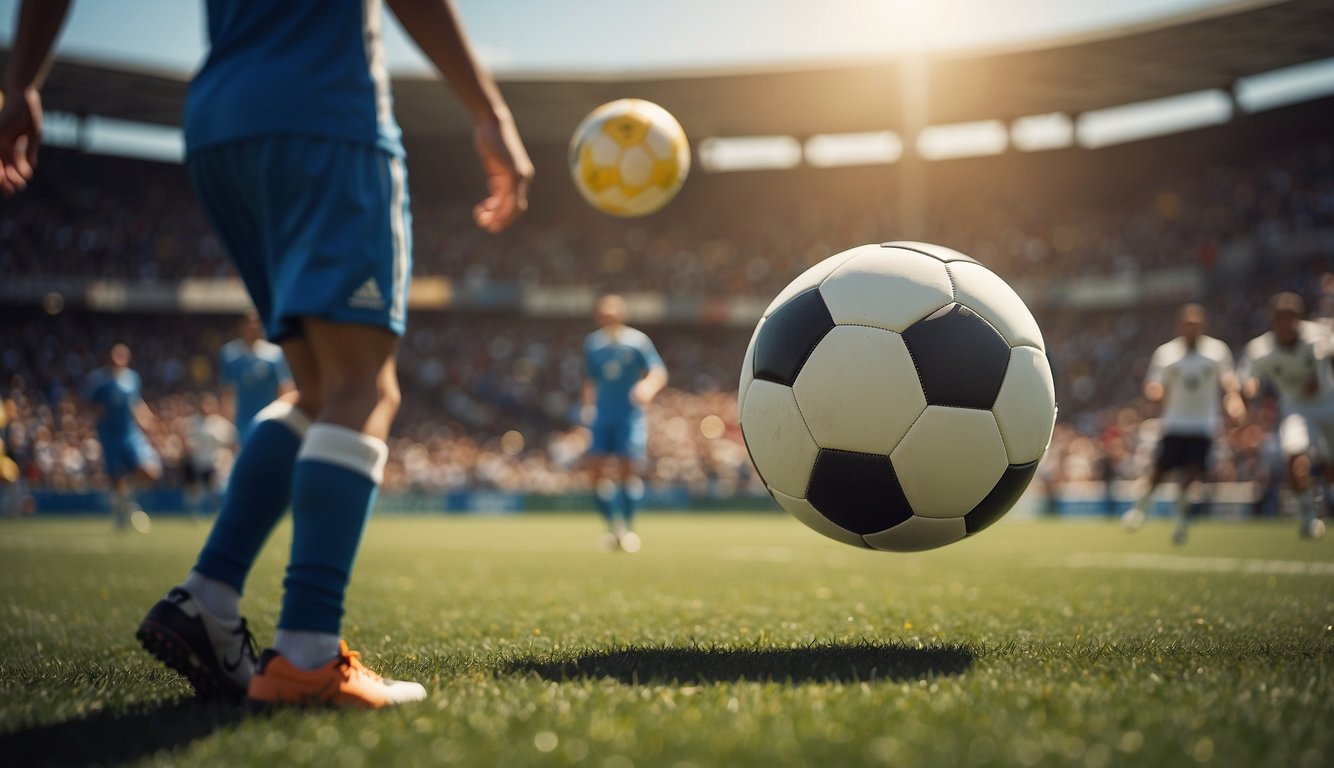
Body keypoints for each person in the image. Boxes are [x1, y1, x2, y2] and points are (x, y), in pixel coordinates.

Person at [1, 0, 532, 708]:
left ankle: (209, 598)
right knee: (364, 389)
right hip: (324, 115)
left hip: (223, 125)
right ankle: (307, 654)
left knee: (315, 391)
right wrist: (487, 108)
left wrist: (22, 83)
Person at [1121, 304, 1245, 544]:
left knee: (1191, 476)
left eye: (1196, 324)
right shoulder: (1166, 354)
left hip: (1204, 425)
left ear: (1203, 326)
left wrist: (1234, 400)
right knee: (1158, 473)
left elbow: (1229, 381)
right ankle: (1140, 509)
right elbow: (1153, 383)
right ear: (1180, 326)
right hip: (1174, 423)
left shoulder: (1217, 351)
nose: (1192, 328)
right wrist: (1154, 391)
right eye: (1188, 324)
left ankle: (1180, 520)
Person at [1238, 292, 1334, 539]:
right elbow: (1249, 378)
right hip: (1296, 409)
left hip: (1329, 405)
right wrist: (1250, 390)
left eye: (1291, 317)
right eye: (1281, 317)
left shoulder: (1320, 336)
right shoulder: (1260, 349)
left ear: (1299, 319)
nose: (1286, 323)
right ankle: (1309, 519)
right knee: (1295, 459)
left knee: (1330, 466)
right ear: (1272, 320)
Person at [581, 294, 668, 553]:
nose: (608, 316)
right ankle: (613, 526)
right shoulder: (593, 345)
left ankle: (628, 529)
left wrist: (647, 387)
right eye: (603, 312)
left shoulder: (637, 341)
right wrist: (587, 408)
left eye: (612, 312)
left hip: (629, 415)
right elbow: (590, 380)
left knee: (627, 468)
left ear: (621, 314)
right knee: (595, 471)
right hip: (602, 415)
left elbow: (658, 370)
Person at [79, 344, 163, 532]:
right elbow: (84, 401)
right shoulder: (98, 380)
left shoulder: (133, 378)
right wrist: (95, 412)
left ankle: (129, 501)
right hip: (110, 435)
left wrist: (146, 418)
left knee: (151, 471)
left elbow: (135, 401)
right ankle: (121, 515)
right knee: (116, 479)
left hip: (130, 434)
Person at [219, 310, 294, 441]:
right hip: (242, 423)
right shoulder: (230, 355)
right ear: (242, 326)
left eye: (257, 323)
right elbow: (227, 392)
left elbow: (285, 389)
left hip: (269, 420)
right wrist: (228, 423)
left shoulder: (274, 355)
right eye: (250, 323)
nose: (253, 327)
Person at [183, 392, 236, 520]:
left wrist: (226, 458)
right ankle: (193, 513)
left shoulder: (221, 424)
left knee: (216, 489)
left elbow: (231, 442)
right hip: (197, 461)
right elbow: (185, 440)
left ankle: (217, 512)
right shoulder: (192, 422)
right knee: (195, 490)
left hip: (213, 462)